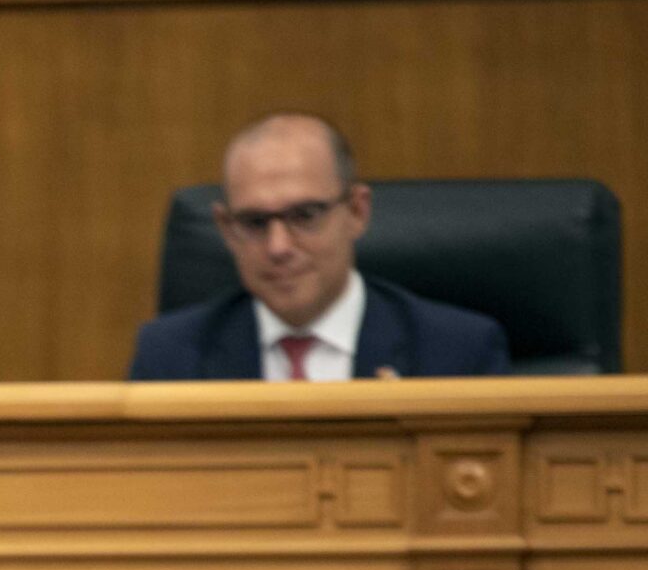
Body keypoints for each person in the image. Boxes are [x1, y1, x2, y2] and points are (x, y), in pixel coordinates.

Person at [128, 113, 510, 382]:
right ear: (227, 231)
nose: (278, 246)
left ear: (357, 212)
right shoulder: (170, 358)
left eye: (305, 216)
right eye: (254, 223)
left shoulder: (457, 352)